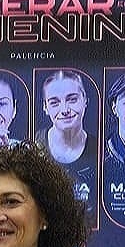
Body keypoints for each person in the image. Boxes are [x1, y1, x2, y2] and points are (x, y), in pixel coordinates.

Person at [35, 68, 98, 201]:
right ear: (45, 107)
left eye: (72, 99)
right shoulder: (33, 145)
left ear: (85, 100)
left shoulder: (101, 150)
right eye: (54, 102)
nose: (64, 110)